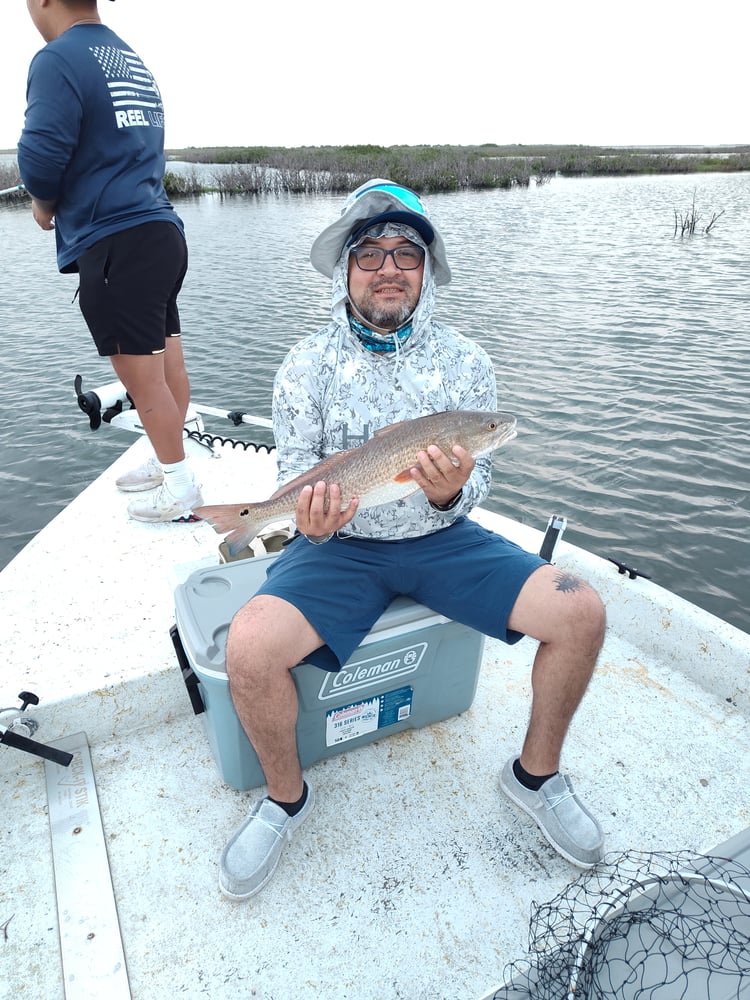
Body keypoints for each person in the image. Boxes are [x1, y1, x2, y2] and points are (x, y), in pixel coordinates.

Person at [218, 179, 607, 900]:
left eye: (406, 253)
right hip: (340, 546)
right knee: (247, 647)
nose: (389, 266)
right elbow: (297, 472)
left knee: (581, 610)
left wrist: (451, 490)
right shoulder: (303, 364)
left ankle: (536, 776)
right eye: (371, 253)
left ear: (426, 272)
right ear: (347, 266)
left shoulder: (467, 363)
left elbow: (479, 486)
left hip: (442, 536)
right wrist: (307, 518)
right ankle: (284, 798)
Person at [18, 0, 202, 522]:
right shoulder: (127, 56)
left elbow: (40, 156)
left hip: (118, 242)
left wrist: (43, 200)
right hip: (161, 233)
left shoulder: (56, 58)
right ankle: (167, 458)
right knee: (168, 366)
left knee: (142, 380)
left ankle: (181, 485)